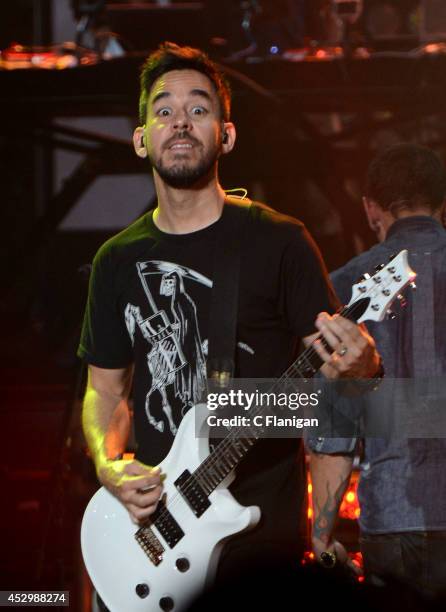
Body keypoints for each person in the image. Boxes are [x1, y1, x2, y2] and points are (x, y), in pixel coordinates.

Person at [78, 41, 380, 590]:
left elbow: (341, 388)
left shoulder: (279, 241)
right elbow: (105, 391)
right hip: (155, 527)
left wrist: (361, 366)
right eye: (163, 110)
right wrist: (108, 463)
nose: (181, 123)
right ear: (141, 140)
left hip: (261, 529)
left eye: (199, 109)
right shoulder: (117, 260)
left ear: (227, 134)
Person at [308, 143, 446, 599]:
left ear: (371, 209)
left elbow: (333, 430)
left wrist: (323, 537)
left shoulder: (346, 286)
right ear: (442, 203)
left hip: (392, 521)